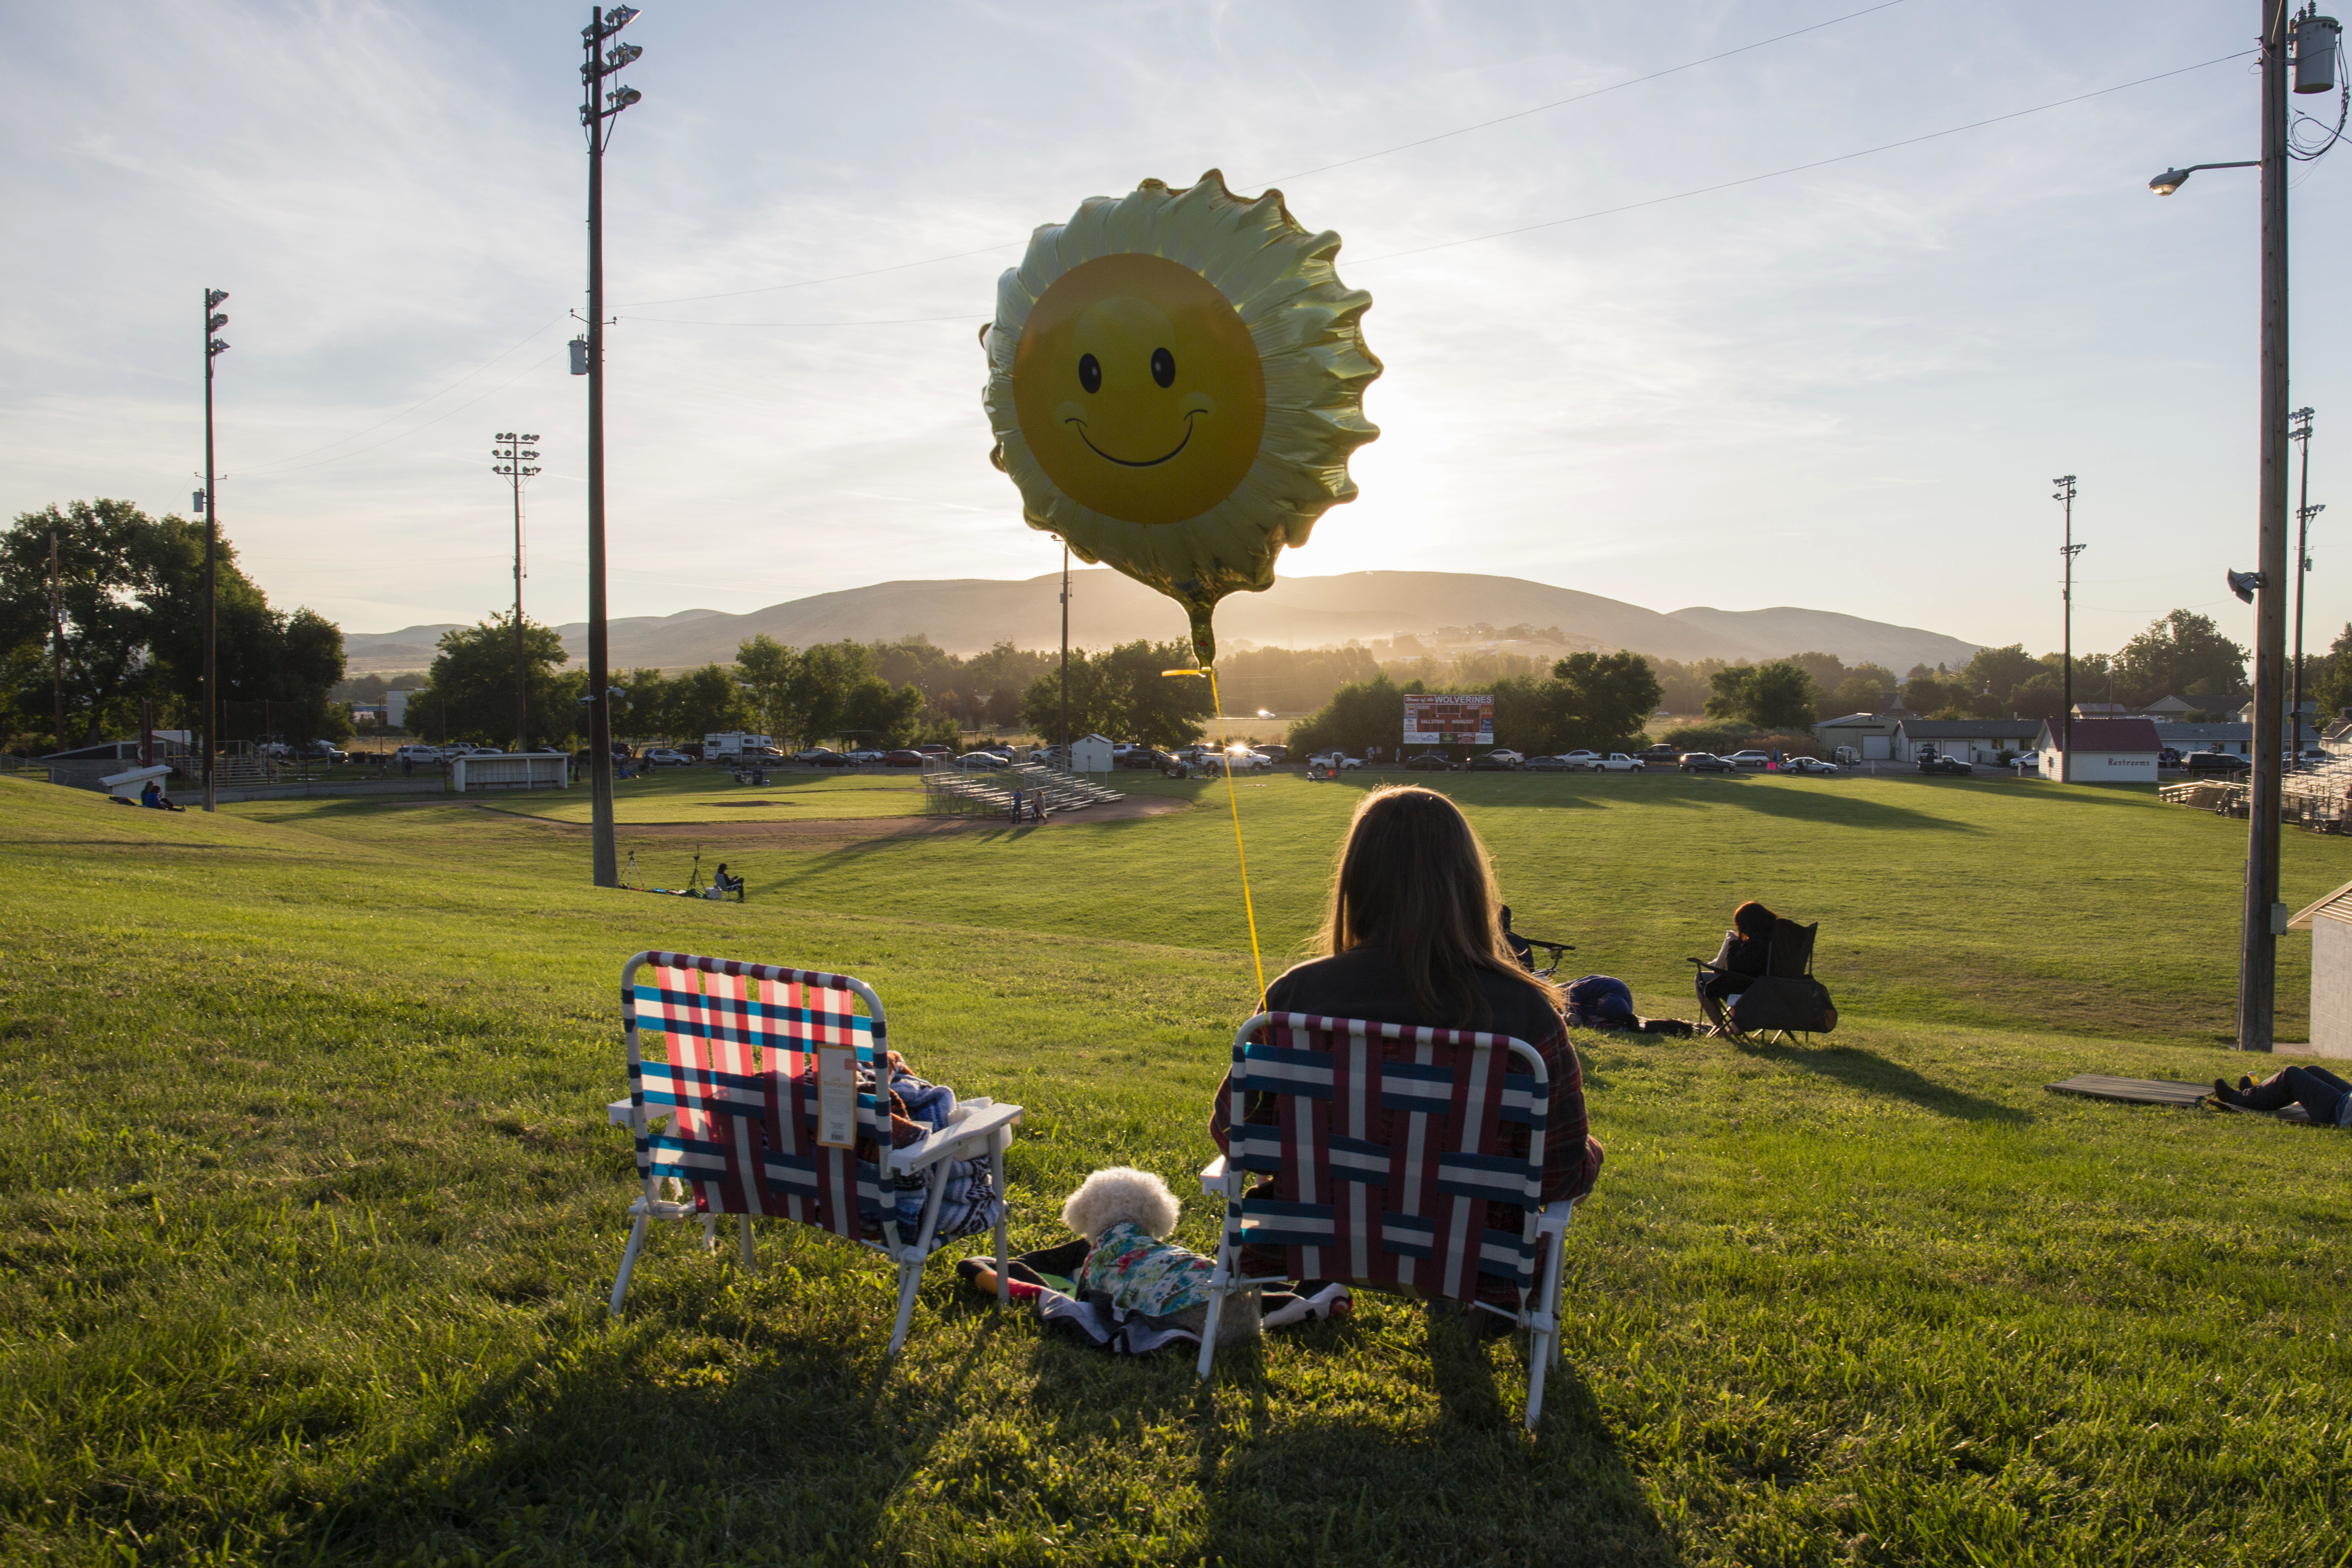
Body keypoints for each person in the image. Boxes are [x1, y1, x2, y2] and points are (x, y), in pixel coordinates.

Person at [1208, 785, 1603, 1327]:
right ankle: (1466, 1299)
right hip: (1476, 1262)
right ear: (1467, 884)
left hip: (1310, 1243)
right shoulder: (1524, 1014)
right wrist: (1592, 1155)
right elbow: (1560, 1177)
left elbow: (1236, 1133)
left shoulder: (1296, 998)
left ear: (1357, 880)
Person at [1695, 899, 1778, 1010]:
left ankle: (1724, 1026)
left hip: (1752, 989)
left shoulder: (1756, 944)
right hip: (1778, 989)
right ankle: (1734, 1026)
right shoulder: (1778, 940)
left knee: (1701, 978)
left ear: (1746, 926)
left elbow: (1732, 970)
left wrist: (1733, 946)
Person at [2213, 1065, 2352, 1126]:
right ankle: (2256, 1094)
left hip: (2339, 1111)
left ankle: (2238, 1098)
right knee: (2313, 1071)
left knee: (2291, 1075)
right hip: (2347, 1100)